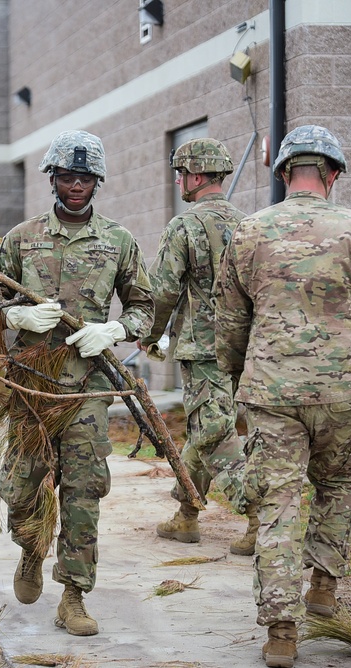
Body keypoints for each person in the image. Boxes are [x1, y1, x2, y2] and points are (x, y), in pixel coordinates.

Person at [215, 125, 351, 668]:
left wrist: (237, 381)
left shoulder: (249, 231)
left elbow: (228, 321)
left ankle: (281, 630)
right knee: (338, 483)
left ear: (284, 172)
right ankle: (322, 584)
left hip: (271, 390)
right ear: (335, 173)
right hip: (340, 389)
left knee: (277, 504)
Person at [0, 130, 154, 636]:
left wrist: (117, 329)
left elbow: (146, 308)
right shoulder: (20, 238)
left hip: (86, 389)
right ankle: (30, 548)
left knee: (84, 491)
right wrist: (17, 318)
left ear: (96, 182)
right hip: (31, 385)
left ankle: (74, 595)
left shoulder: (117, 240)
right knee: (22, 487)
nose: (75, 185)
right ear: (52, 179)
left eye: (84, 177)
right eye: (66, 176)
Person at [138, 138, 257, 555]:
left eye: (181, 172)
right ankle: (186, 514)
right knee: (205, 427)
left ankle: (258, 514)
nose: (177, 180)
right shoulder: (250, 224)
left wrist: (148, 335)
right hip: (244, 347)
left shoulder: (183, 226)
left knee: (212, 432)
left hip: (205, 349)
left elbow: (163, 291)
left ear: (197, 175)